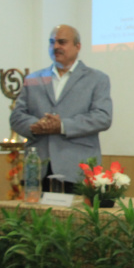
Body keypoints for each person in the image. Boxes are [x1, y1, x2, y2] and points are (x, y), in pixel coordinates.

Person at [10, 25, 113, 192]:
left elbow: (102, 117)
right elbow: (16, 117)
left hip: (78, 169)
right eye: (52, 42)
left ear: (78, 46)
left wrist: (63, 126)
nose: (56, 46)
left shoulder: (97, 79)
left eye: (62, 42)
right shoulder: (34, 79)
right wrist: (35, 125)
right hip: (38, 170)